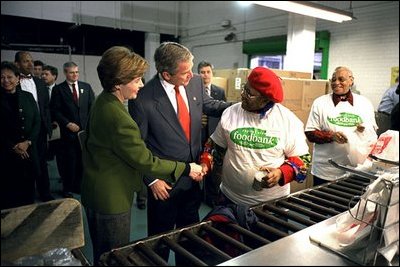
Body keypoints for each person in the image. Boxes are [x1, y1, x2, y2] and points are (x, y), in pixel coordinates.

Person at [80, 46, 204, 265]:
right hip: (112, 197)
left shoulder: (104, 101)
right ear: (118, 82)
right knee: (112, 255)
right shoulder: (118, 117)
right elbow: (144, 159)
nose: (141, 84)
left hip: (98, 189)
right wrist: (185, 168)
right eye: (136, 80)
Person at [128, 42, 231, 261]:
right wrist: (151, 180)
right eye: (186, 72)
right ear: (166, 74)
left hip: (193, 179)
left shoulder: (193, 85)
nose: (192, 76)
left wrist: (238, 106)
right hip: (164, 184)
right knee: (159, 242)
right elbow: (138, 145)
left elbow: (210, 105)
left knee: (190, 239)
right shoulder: (143, 99)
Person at [200, 66, 310, 207]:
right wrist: (206, 162)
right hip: (230, 199)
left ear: (265, 99)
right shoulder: (231, 112)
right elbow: (214, 145)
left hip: (271, 204)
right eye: (244, 89)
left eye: (249, 94)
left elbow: (304, 160)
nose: (243, 95)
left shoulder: (288, 121)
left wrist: (281, 173)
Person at [305, 66, 377, 186]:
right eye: (333, 80)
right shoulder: (320, 103)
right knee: (321, 203)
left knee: (350, 204)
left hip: (357, 171)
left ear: (351, 81)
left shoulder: (365, 103)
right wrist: (331, 136)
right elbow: (310, 133)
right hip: (326, 171)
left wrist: (364, 129)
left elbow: (373, 135)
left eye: (341, 79)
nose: (336, 83)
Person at [50, 61, 95, 198]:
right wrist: (67, 123)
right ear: (65, 73)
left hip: (84, 134)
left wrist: (89, 126)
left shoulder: (86, 87)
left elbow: (92, 107)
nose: (75, 75)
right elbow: (55, 111)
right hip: (68, 133)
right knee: (69, 162)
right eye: (71, 72)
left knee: (82, 161)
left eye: (76, 72)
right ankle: (67, 188)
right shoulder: (59, 89)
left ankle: (78, 186)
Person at [15, 51, 54, 202]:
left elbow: (45, 107)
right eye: (26, 61)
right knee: (27, 164)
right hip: (24, 131)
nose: (30, 64)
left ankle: (45, 193)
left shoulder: (39, 82)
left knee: (43, 163)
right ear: (17, 64)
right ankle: (28, 197)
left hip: (41, 129)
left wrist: (48, 125)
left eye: (31, 61)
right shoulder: (13, 83)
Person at [1, 61, 40, 209]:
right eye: (2, 77)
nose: (6, 81)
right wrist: (13, 147)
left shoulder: (28, 96)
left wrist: (27, 142)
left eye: (9, 77)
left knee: (28, 196)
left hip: (29, 154)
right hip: (6, 156)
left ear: (18, 78)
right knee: (8, 197)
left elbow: (37, 121)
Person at [197, 60, 227, 208]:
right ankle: (197, 195)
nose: (205, 75)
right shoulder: (193, 91)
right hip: (198, 133)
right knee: (198, 164)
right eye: (202, 72)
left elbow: (223, 112)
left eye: (208, 72)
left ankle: (210, 198)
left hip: (214, 133)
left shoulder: (219, 91)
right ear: (198, 74)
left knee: (212, 167)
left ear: (212, 73)